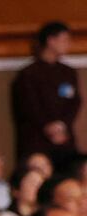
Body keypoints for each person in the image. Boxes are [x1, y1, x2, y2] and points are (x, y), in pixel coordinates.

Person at [13, 21, 81, 165]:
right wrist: (48, 126)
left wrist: (62, 125)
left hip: (64, 137)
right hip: (37, 139)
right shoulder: (29, 74)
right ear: (51, 40)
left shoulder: (68, 72)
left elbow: (74, 101)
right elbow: (29, 106)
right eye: (64, 40)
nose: (68, 44)